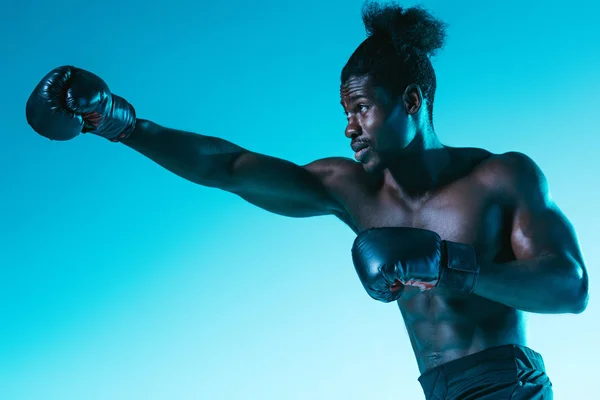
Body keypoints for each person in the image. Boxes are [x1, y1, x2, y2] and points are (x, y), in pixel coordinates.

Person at [25, 2, 588, 399]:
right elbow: (229, 167)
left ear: (412, 100)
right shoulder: (351, 189)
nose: (350, 128)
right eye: (345, 113)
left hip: (508, 386)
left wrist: (447, 264)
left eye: (362, 108)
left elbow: (570, 286)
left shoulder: (500, 177)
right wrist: (121, 123)